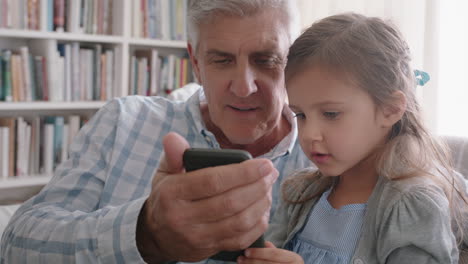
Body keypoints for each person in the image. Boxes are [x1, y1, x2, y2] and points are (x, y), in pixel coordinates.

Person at [0, 1, 313, 263]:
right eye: (221, 60)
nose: (244, 87)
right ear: (196, 63)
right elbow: (16, 246)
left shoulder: (327, 158)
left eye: (266, 60)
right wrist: (145, 233)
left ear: (293, 61)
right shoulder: (122, 123)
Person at [239, 13, 468, 264]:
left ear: (389, 109)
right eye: (301, 115)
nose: (309, 134)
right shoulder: (300, 192)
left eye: (331, 114)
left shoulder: (413, 205)